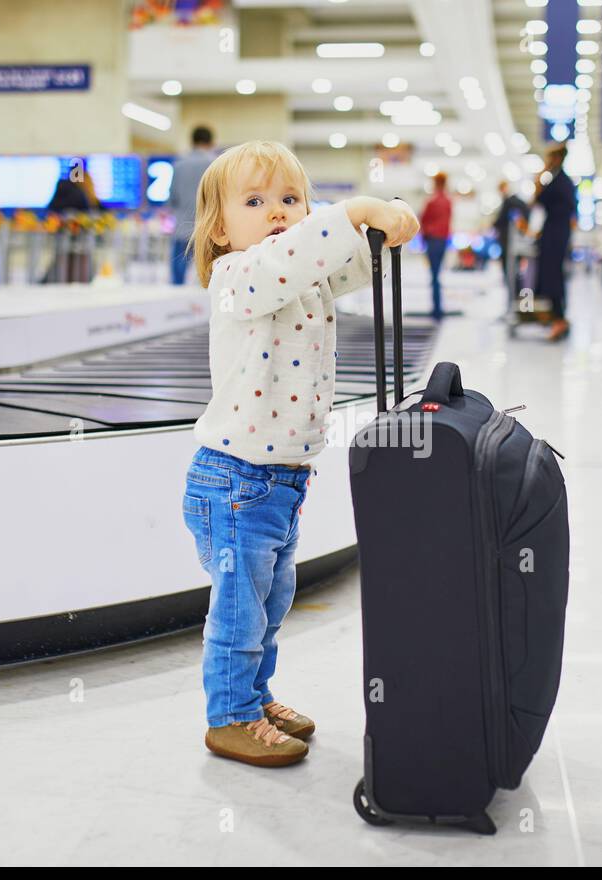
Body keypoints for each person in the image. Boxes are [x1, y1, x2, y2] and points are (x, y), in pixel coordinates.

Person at [183, 140, 418, 767]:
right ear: (220, 228)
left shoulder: (300, 275)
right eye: (255, 202)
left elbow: (347, 266)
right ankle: (227, 717)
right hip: (234, 481)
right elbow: (297, 256)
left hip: (281, 481)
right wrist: (350, 212)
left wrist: (382, 230)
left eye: (290, 199)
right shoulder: (239, 278)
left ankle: (254, 699)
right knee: (238, 612)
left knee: (270, 603)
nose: (278, 212)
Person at [533, 143, 576, 341]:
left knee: (553, 276)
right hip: (557, 233)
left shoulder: (560, 181)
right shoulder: (561, 180)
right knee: (553, 275)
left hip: (555, 235)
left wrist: (542, 172)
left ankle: (559, 319)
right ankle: (558, 317)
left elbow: (537, 198)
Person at [169, 125, 217, 285]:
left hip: (182, 228)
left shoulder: (179, 165)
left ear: (192, 142)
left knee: (178, 278)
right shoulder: (215, 165)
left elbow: (172, 198)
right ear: (211, 142)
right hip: (208, 228)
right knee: (209, 276)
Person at [420, 171, 452, 321]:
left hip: (432, 241)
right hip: (443, 241)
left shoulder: (431, 201)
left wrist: (423, 239)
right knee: (437, 275)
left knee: (434, 276)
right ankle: (438, 308)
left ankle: (437, 309)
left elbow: (423, 221)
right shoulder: (448, 201)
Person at [493, 179, 529, 306]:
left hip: (509, 245)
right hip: (518, 244)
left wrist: (494, 224)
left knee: (511, 274)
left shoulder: (509, 202)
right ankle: (520, 303)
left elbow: (499, 221)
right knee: (519, 274)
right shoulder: (520, 203)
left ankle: (517, 303)